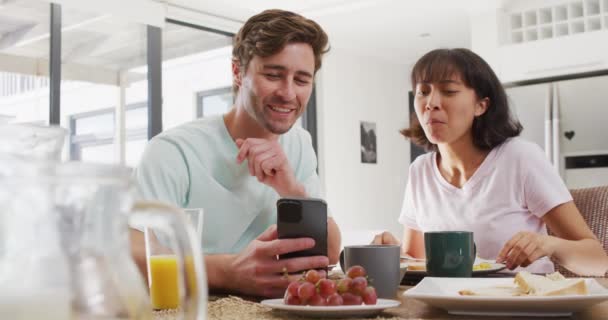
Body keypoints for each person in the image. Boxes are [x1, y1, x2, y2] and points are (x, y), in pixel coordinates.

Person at [132, 9, 341, 297]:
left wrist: (292, 191)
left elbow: (328, 254)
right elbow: (132, 254)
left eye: (302, 80)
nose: (288, 93)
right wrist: (228, 272)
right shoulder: (173, 152)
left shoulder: (299, 144)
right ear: (237, 72)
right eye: (273, 75)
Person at [373, 48, 608, 276]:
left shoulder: (519, 158)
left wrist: (550, 245)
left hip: (520, 307)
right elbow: (419, 262)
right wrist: (394, 255)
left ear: (481, 105)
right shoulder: (420, 171)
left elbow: (598, 260)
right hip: (448, 308)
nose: (431, 102)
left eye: (449, 91)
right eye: (423, 91)